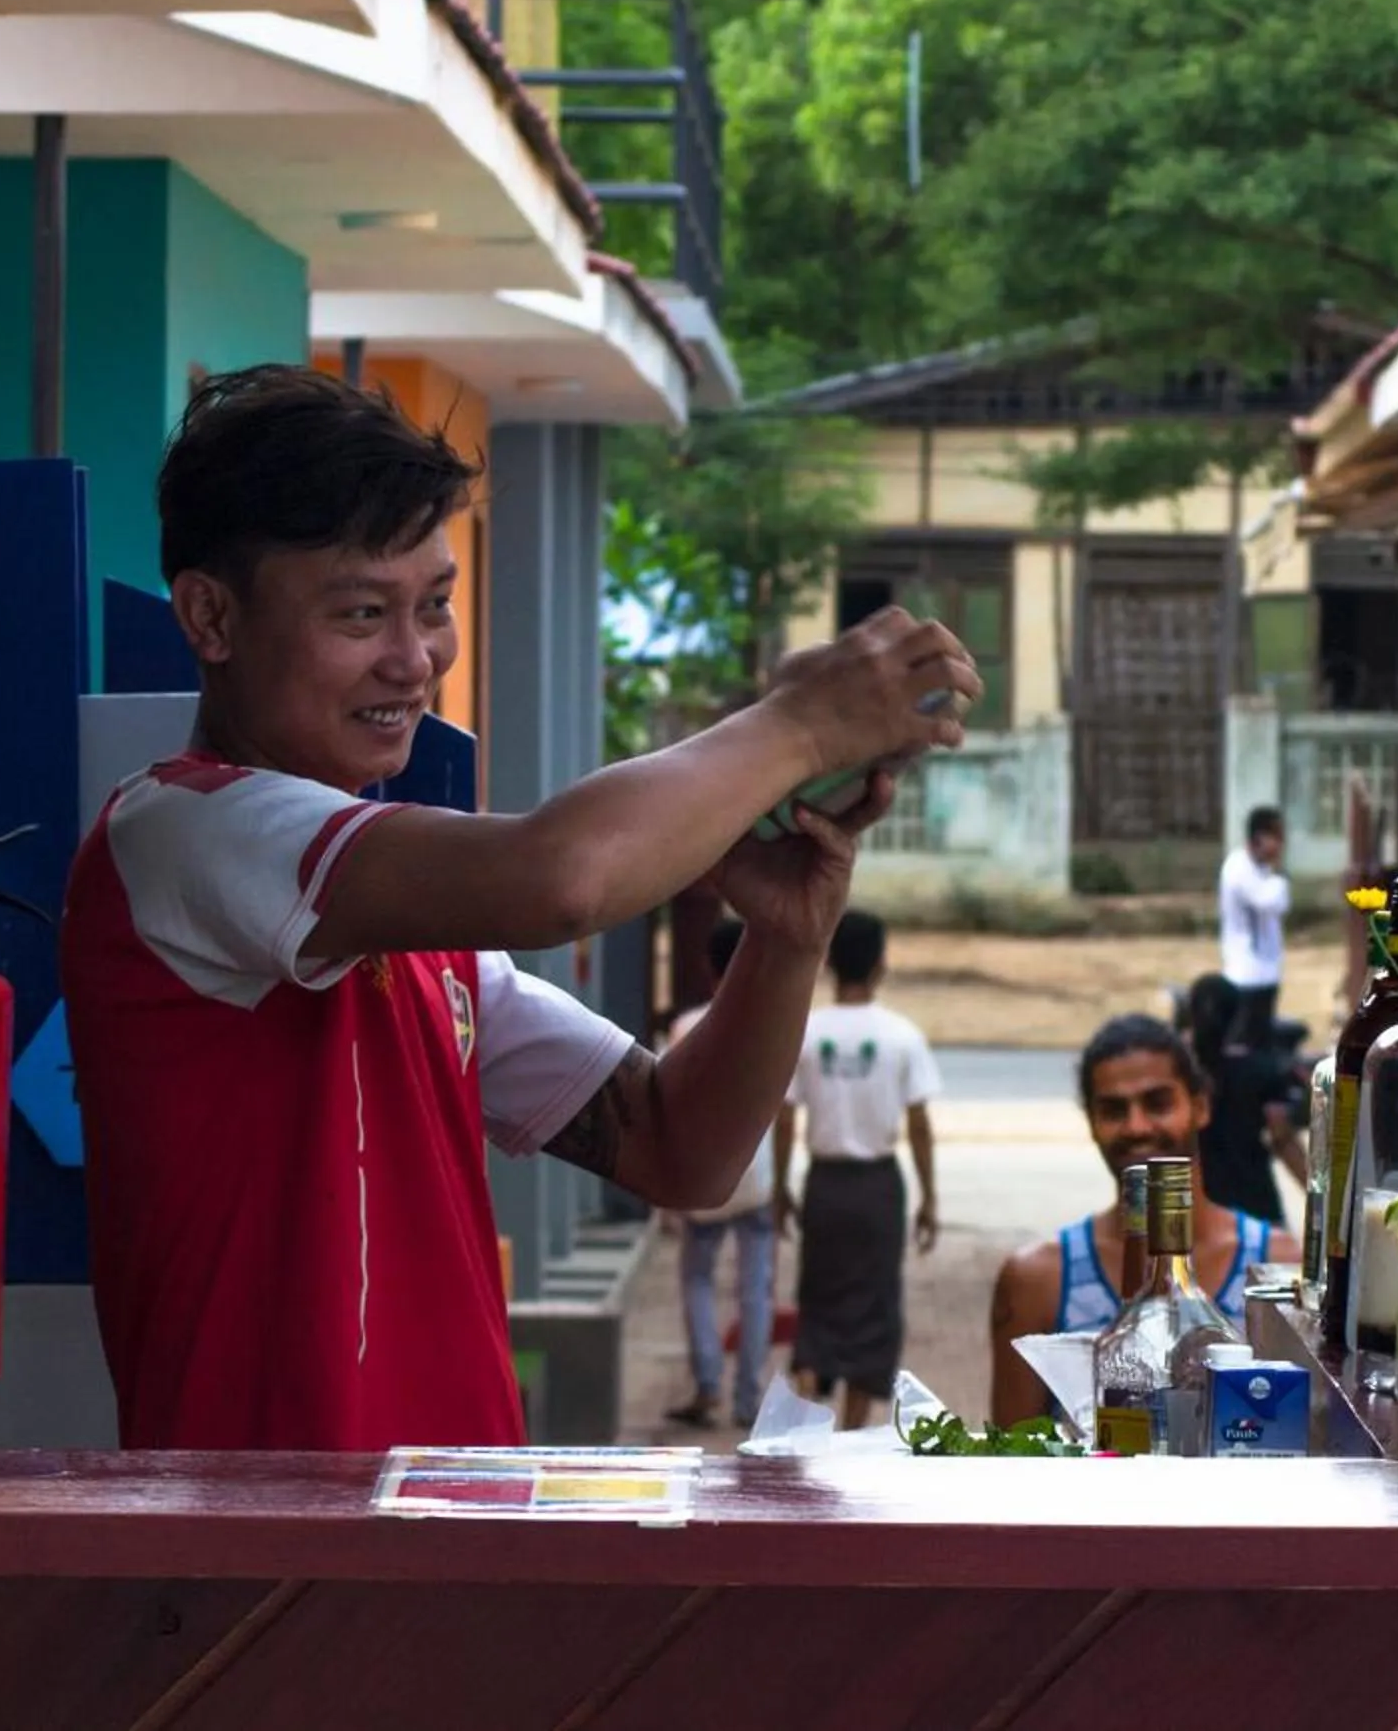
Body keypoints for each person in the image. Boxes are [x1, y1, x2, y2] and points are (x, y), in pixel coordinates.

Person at [61, 366, 978, 1452]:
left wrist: (783, 941)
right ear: (210, 614)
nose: (415, 659)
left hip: (443, 1541)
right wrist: (798, 726)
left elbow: (684, 1148)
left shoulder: (417, 932)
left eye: (435, 603)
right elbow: (565, 877)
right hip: (270, 1559)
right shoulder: (181, 827)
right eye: (361, 612)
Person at [987, 1014, 1298, 1428]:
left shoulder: (1278, 1269)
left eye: (1157, 1103)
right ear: (1091, 1123)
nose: (1136, 1127)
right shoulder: (1039, 1279)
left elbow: (1298, 1443)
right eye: (1114, 1110)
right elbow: (1011, 1461)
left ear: (1201, 1106)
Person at [775, 908, 939, 1431]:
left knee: (818, 1297)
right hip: (878, 1187)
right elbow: (919, 1125)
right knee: (874, 1305)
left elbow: (785, 1117)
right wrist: (930, 1197)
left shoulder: (805, 1031)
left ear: (827, 964)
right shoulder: (901, 1036)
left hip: (823, 1182)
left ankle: (807, 1420)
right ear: (880, 967)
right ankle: (848, 1430)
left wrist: (780, 1185)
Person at [662, 917, 775, 1431]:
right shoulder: (772, 1020)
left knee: (698, 1281)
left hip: (701, 1178)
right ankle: (748, 1399)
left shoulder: (686, 1027)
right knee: (755, 1290)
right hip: (756, 1180)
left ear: (710, 968)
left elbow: (664, 1105)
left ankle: (707, 1384)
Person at [1183, 971, 1307, 1227]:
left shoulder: (1178, 1074)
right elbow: (1282, 1138)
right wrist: (1320, 1198)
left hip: (1196, 1210)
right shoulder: (1259, 1070)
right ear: (1236, 1017)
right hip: (1256, 1206)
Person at [1215, 805, 1291, 1050]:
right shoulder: (1239, 868)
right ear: (1259, 838)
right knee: (1245, 1046)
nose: (1281, 845)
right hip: (1246, 974)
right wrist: (1279, 871)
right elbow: (1271, 902)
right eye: (1276, 838)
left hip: (1265, 972)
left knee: (1261, 1043)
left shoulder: (1261, 869)